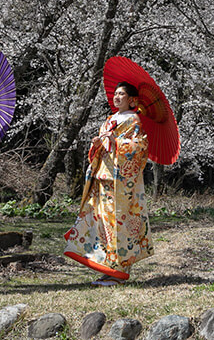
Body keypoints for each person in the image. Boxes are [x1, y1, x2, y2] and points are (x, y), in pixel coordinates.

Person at [63, 82, 154, 285]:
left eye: (122, 94)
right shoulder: (110, 119)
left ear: (132, 100)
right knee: (101, 221)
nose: (117, 97)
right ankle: (107, 265)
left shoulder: (133, 120)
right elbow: (103, 147)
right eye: (115, 93)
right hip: (103, 174)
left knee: (117, 222)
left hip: (120, 180)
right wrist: (98, 144)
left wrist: (115, 142)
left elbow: (138, 147)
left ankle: (119, 269)